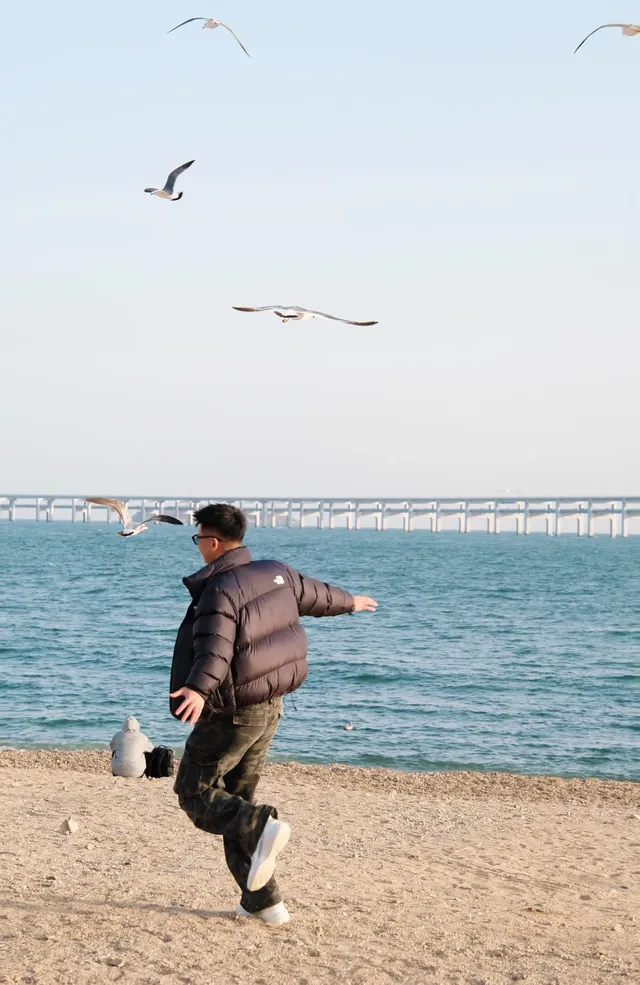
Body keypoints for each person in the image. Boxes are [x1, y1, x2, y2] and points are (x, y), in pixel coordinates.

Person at [170, 503, 377, 926]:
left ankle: (263, 824)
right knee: (235, 804)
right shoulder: (275, 573)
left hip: (232, 713)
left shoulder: (219, 588)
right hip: (270, 709)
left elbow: (215, 648)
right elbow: (317, 595)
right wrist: (351, 602)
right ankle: (264, 903)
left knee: (195, 792)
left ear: (212, 542)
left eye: (198, 540)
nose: (198, 547)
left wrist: (198, 688)